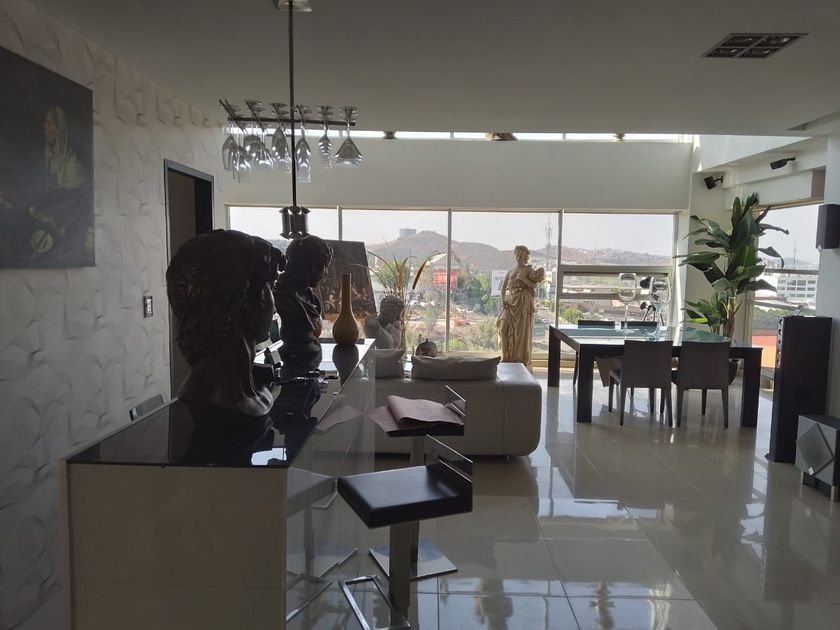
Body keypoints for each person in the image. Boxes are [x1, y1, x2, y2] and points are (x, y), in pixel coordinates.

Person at [166, 229, 285, 416]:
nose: (275, 305)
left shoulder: (252, 392)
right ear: (246, 298)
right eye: (270, 287)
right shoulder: (210, 400)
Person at [273, 235, 333, 356]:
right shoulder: (281, 296)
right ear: (313, 267)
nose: (326, 273)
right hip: (293, 356)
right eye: (324, 266)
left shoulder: (309, 296)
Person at [496, 245, 545, 366]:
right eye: (517, 255)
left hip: (522, 303)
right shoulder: (510, 271)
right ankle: (505, 356)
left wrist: (523, 279)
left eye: (521, 255)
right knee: (503, 328)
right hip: (509, 303)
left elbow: (534, 286)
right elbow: (503, 288)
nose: (519, 257)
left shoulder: (528, 270)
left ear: (525, 257)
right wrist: (503, 301)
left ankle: (519, 358)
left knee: (520, 332)